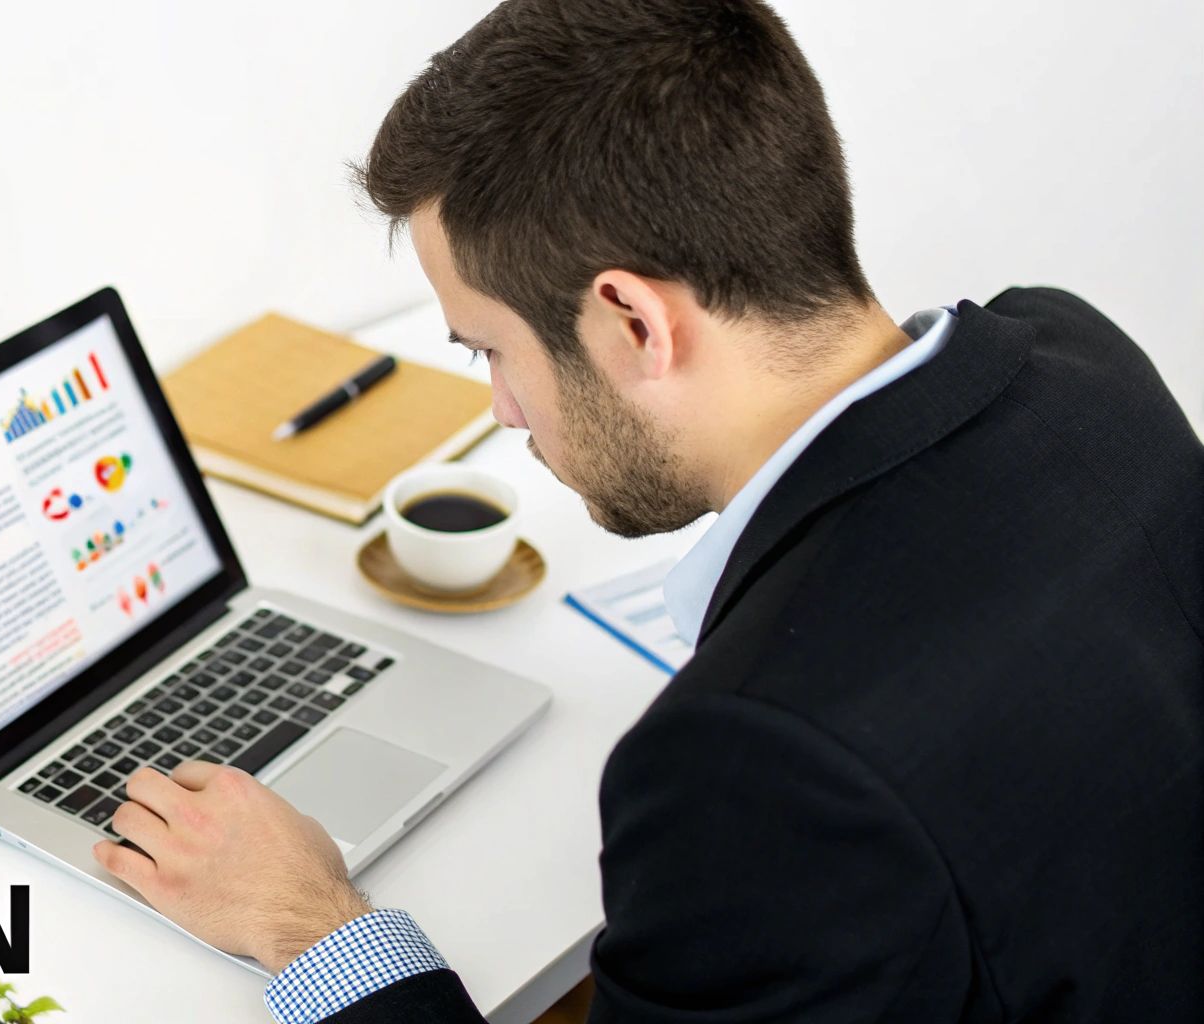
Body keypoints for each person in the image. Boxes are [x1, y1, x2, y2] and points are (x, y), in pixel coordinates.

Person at [89, 1, 1204, 1020]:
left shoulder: (752, 769)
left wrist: (309, 926)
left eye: (490, 349)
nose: (504, 411)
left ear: (630, 320)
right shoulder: (1073, 358)